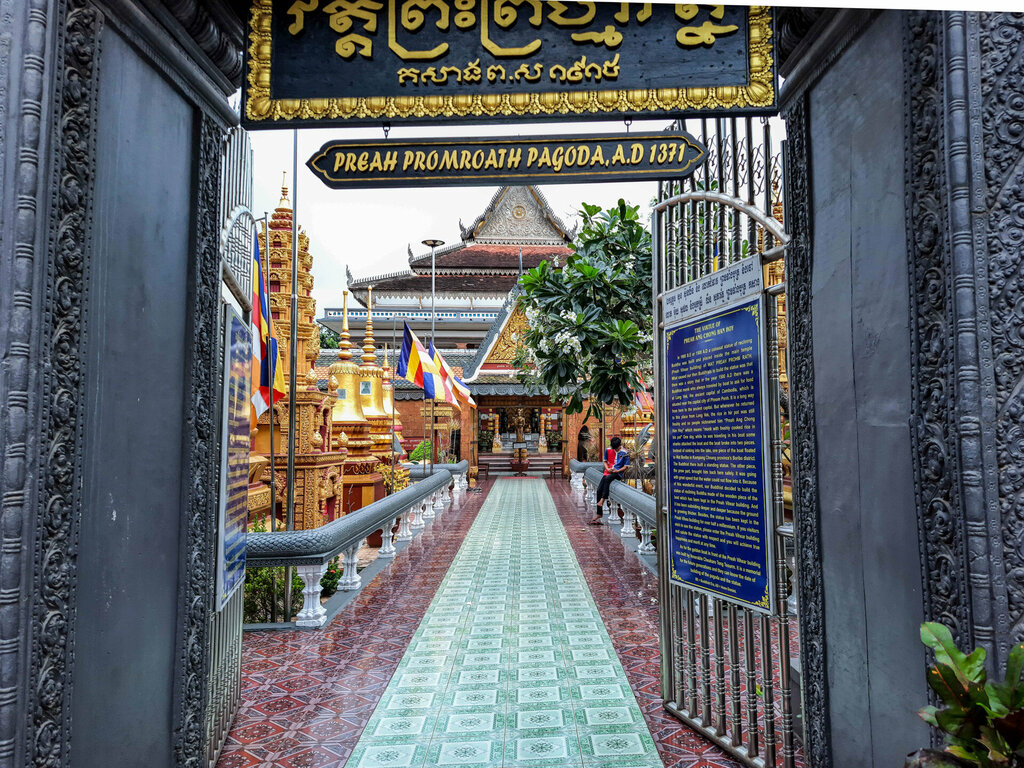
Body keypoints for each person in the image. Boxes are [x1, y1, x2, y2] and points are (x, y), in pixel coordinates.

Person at [589, 436, 629, 525]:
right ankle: (599, 513)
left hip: (618, 473)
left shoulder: (625, 453)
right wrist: (607, 468)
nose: (615, 449)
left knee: (607, 479)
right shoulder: (608, 450)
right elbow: (605, 461)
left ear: (620, 445)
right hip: (608, 472)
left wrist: (617, 470)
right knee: (599, 490)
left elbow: (625, 466)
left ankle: (602, 501)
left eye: (616, 448)